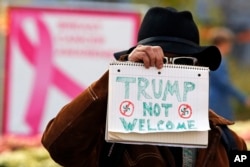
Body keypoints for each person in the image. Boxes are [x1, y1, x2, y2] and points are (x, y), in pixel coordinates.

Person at [41, 7, 247, 167]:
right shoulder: (113, 136)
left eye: (183, 62)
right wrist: (116, 78)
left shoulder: (229, 141)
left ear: (199, 68)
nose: (169, 73)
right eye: (157, 63)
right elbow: (58, 146)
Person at [209, 27, 250, 121]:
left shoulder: (211, 57)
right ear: (224, 43)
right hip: (217, 103)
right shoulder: (219, 59)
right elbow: (225, 84)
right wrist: (243, 98)